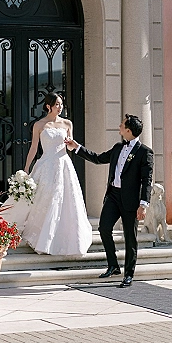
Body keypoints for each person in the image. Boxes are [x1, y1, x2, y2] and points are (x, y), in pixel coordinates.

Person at [65, 114, 153, 288]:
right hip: (113, 196)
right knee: (104, 228)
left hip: (131, 201)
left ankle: (129, 274)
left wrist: (143, 204)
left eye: (122, 124)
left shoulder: (145, 152)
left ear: (128, 130)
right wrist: (77, 148)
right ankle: (113, 265)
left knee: (130, 237)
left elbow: (146, 180)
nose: (119, 126)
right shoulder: (118, 147)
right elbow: (98, 158)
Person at [14, 92, 93, 256]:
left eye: (61, 104)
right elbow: (34, 147)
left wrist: (72, 144)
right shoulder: (39, 125)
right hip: (46, 165)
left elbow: (71, 146)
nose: (60, 107)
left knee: (65, 200)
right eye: (57, 104)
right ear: (48, 106)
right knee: (46, 199)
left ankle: (65, 238)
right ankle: (43, 238)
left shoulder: (67, 123)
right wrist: (27, 168)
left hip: (63, 164)